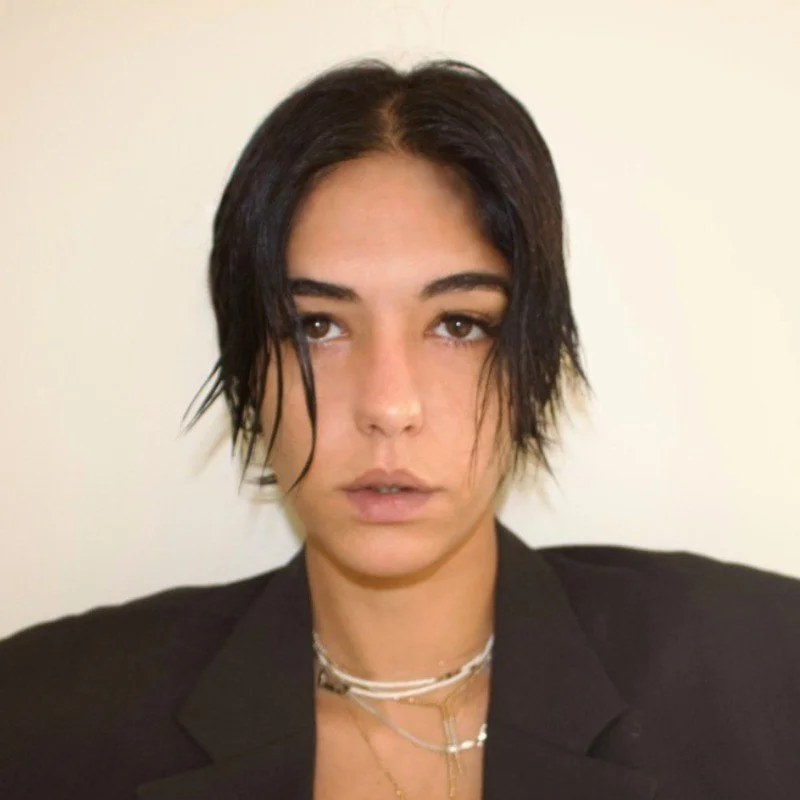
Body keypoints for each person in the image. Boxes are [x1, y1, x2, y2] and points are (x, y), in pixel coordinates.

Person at [1, 57, 799, 800]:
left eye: (458, 324)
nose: (388, 405)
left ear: (536, 360)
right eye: (317, 326)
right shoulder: (43, 719)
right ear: (248, 365)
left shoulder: (766, 673)